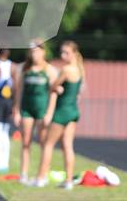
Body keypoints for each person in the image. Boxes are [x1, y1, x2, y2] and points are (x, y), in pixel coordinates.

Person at [34, 41, 85, 190]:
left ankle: (41, 178)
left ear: (74, 53)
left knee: (48, 145)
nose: (63, 55)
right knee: (68, 146)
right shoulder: (80, 69)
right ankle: (69, 181)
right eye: (62, 52)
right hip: (73, 111)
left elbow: (52, 86)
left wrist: (57, 87)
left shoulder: (67, 69)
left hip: (62, 111)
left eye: (66, 53)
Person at [12, 40, 58, 184]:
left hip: (42, 110)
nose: (34, 54)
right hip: (27, 109)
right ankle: (24, 174)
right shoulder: (24, 69)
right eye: (32, 51)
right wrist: (16, 110)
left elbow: (53, 93)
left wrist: (49, 113)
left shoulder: (49, 70)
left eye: (37, 51)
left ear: (43, 52)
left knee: (44, 143)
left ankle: (42, 175)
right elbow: (19, 91)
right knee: (26, 142)